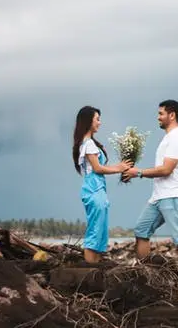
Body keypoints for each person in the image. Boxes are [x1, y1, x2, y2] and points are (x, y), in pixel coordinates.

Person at [122, 100, 178, 266]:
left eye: (161, 114)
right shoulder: (168, 138)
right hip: (158, 197)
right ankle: (145, 272)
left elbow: (166, 169)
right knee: (141, 231)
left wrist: (139, 172)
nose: (158, 117)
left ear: (172, 115)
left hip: (172, 196)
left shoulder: (177, 138)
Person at [72, 106, 132, 263]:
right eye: (97, 119)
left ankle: (95, 268)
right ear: (88, 121)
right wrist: (119, 168)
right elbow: (98, 169)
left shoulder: (87, 143)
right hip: (94, 190)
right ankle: (90, 270)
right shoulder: (89, 144)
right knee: (95, 232)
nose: (100, 122)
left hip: (96, 189)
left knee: (99, 232)